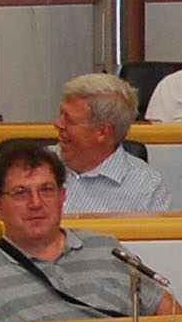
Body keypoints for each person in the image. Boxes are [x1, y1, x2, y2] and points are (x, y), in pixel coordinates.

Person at [0, 140, 178, 322]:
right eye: (20, 193)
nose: (35, 203)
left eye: (46, 190)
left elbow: (171, 316)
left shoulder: (107, 249)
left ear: (62, 197)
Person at [52, 73, 169, 216]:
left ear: (102, 132)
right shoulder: (35, 166)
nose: (58, 124)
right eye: (60, 115)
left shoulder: (147, 188)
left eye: (69, 120)